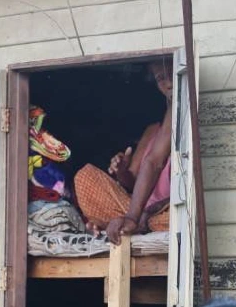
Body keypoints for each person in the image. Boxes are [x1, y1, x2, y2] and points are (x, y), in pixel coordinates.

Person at [74, 60, 174, 245]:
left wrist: (146, 213)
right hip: (138, 209)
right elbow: (151, 164)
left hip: (166, 211)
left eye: (172, 73)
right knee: (85, 176)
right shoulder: (158, 125)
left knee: (181, 216)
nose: (169, 83)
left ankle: (128, 224)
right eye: (161, 78)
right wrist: (121, 171)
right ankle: (129, 224)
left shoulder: (187, 107)